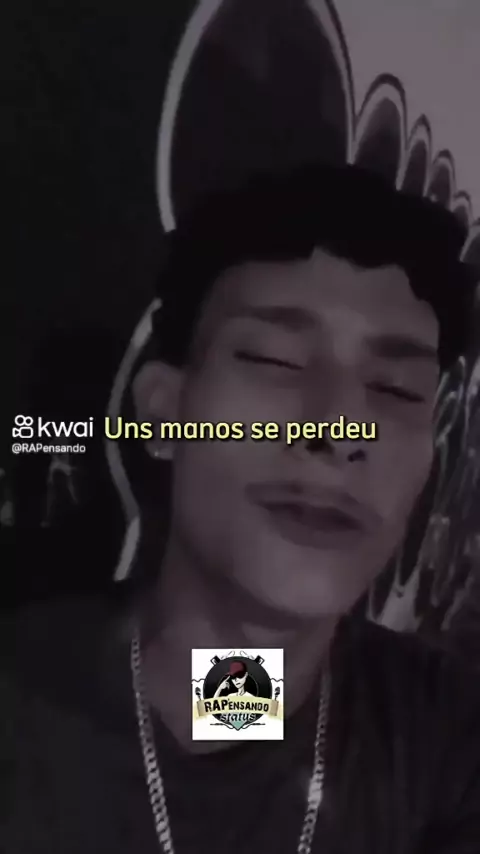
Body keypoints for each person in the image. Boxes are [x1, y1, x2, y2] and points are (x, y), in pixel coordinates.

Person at [3, 163, 480, 854]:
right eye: (275, 360)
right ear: (164, 414)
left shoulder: (447, 745)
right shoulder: (23, 710)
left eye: (397, 389)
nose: (338, 430)